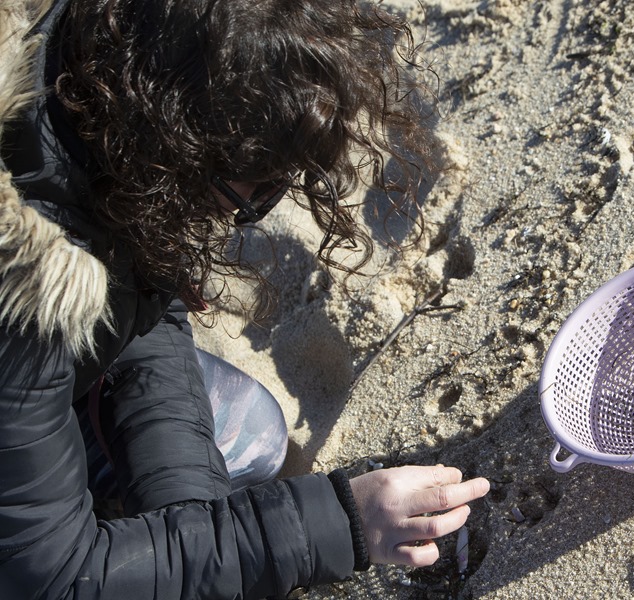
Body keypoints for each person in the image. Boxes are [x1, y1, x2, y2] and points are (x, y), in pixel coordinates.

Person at [0, 0, 490, 597]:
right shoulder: (23, 290)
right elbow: (51, 578)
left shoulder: (87, 85)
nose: (247, 208)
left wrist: (193, 520)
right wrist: (340, 524)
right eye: (253, 186)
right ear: (172, 133)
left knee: (247, 438)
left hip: (43, 396)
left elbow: (137, 313)